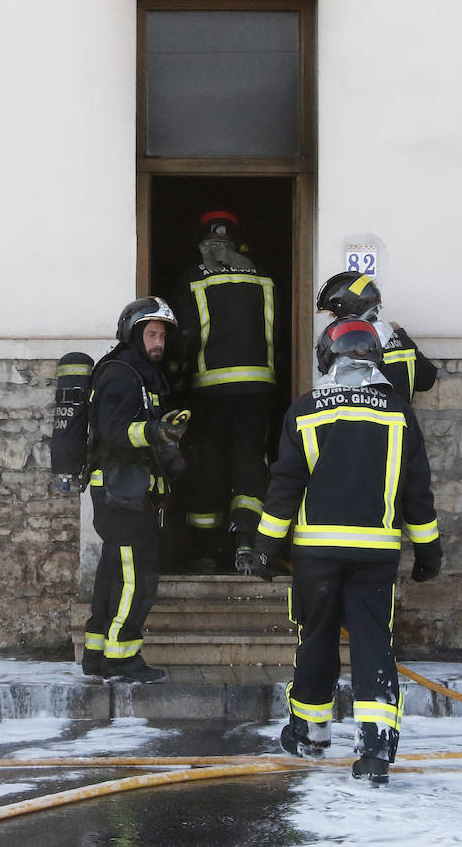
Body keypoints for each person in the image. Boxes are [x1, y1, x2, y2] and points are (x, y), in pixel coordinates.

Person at [238, 318, 441, 786]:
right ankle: (374, 752)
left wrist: (266, 548)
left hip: (317, 553)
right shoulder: (398, 411)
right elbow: (417, 492)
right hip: (376, 554)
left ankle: (310, 734)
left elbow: (285, 486)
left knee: (317, 639)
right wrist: (429, 553)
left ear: (327, 357)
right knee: (373, 644)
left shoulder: (306, 409)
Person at [80, 297, 190, 684]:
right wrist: (155, 431)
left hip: (131, 490)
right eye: (152, 334)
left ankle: (96, 653)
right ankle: (121, 658)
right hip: (120, 492)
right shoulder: (122, 373)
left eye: (162, 335)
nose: (159, 342)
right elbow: (112, 432)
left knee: (113, 573)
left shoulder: (143, 374)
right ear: (133, 333)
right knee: (135, 578)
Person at [172, 210, 278, 572]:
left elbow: (184, 338)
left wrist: (176, 385)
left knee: (210, 463)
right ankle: (246, 540)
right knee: (250, 460)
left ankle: (204, 550)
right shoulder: (263, 275)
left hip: (210, 391)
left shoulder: (192, 278)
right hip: (258, 388)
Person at [316, 271, 437, 403]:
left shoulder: (350, 348)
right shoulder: (402, 339)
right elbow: (427, 381)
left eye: (334, 315)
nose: (332, 320)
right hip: (401, 421)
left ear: (351, 312)